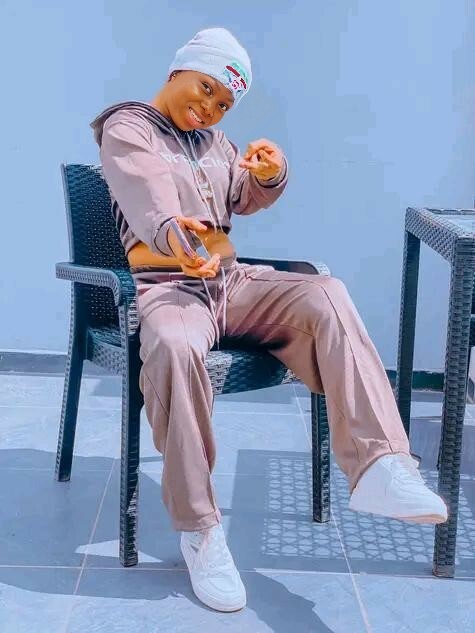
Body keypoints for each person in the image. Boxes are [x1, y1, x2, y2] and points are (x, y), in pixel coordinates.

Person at [91, 27, 447, 613]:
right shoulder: (128, 126)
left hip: (232, 282)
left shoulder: (215, 142)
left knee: (326, 292)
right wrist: (177, 237)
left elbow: (242, 197)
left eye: (224, 103)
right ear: (178, 72)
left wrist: (267, 174)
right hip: (169, 286)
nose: (211, 108)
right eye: (206, 89)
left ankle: (381, 463)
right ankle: (200, 530)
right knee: (175, 348)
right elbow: (145, 193)